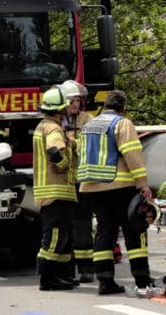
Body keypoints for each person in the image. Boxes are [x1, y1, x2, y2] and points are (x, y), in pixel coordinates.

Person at [77, 90, 154, 295]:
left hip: (92, 187)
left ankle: (105, 280)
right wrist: (142, 184)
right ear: (123, 107)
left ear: (105, 106)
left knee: (105, 232)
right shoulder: (122, 124)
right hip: (119, 185)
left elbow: (80, 154)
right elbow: (132, 154)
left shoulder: (88, 125)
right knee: (134, 232)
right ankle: (142, 280)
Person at [33, 86, 79, 291]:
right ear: (61, 109)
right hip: (55, 191)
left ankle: (62, 276)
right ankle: (48, 278)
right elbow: (54, 150)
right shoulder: (53, 128)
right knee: (54, 237)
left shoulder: (44, 126)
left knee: (63, 236)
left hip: (55, 192)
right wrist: (62, 165)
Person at [59, 80, 96, 283]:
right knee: (64, 225)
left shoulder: (87, 120)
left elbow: (89, 146)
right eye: (72, 100)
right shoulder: (55, 122)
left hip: (81, 181)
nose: (76, 104)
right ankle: (66, 269)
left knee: (82, 225)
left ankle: (86, 267)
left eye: (78, 100)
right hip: (62, 181)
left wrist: (72, 141)